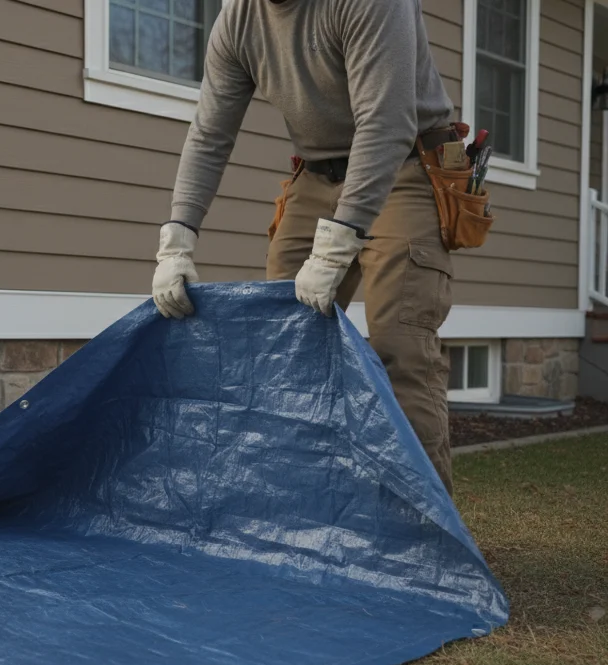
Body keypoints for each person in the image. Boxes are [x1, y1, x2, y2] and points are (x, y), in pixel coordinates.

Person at [150, 0, 464, 494]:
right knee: (284, 348)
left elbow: (386, 123)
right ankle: (300, 521)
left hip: (407, 162)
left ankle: (425, 547)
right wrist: (177, 240)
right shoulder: (238, 20)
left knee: (400, 350)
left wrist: (336, 246)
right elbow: (210, 134)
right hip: (317, 175)